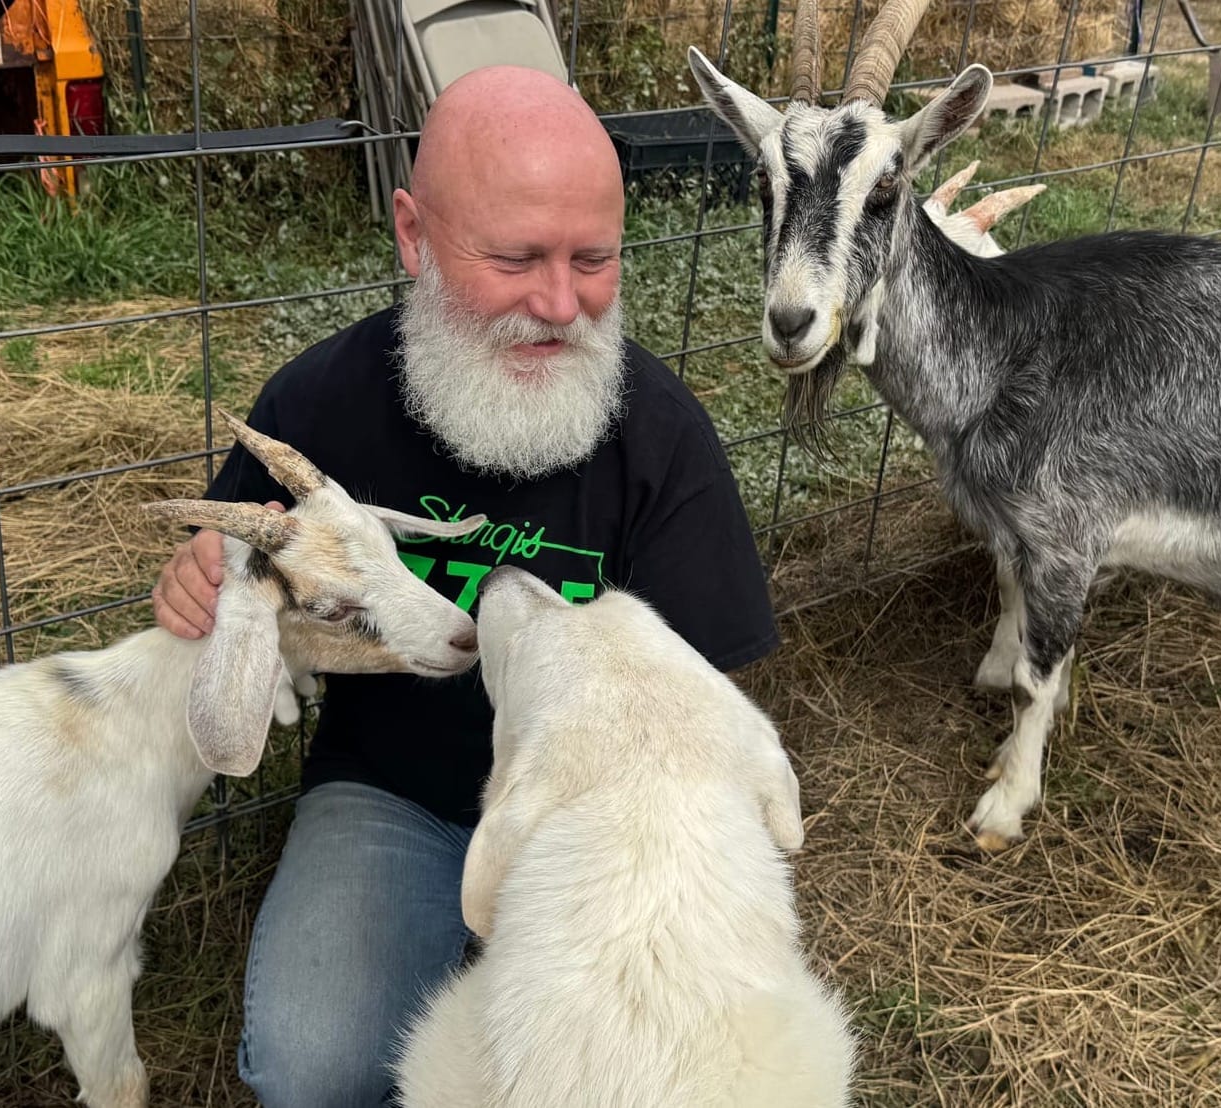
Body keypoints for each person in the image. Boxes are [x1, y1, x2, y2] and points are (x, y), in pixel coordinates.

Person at [149, 64, 780, 1107]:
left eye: (593, 259)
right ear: (413, 235)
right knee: (314, 1066)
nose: (561, 304)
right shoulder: (317, 405)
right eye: (516, 258)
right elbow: (238, 579)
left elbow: (703, 713)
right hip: (392, 790)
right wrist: (198, 588)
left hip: (594, 819)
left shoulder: (664, 440)